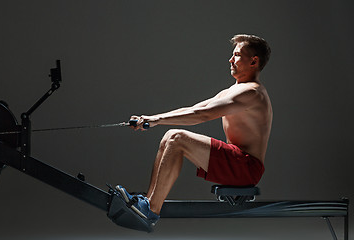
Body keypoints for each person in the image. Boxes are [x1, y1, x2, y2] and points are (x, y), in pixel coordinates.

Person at [116, 34, 272, 226]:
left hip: (246, 167)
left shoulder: (252, 92)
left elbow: (203, 115)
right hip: (237, 161)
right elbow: (193, 109)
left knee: (176, 137)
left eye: (237, 55)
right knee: (169, 138)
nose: (230, 60)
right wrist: (151, 119)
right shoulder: (233, 90)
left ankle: (150, 211)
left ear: (254, 61)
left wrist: (157, 120)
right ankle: (147, 203)